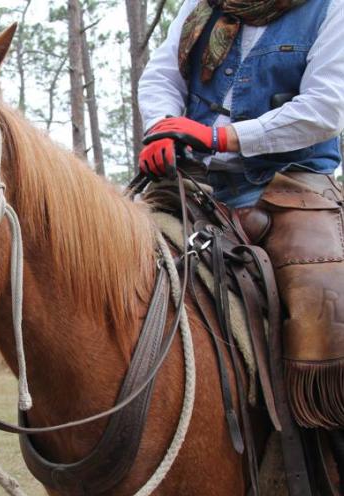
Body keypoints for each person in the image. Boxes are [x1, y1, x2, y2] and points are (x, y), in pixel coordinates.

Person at [137, 0, 344, 430]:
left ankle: (329, 433)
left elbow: (326, 107)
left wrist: (222, 137)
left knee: (324, 294)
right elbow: (161, 76)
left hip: (290, 183)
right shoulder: (201, 6)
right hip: (193, 183)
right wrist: (162, 126)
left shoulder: (330, 8)